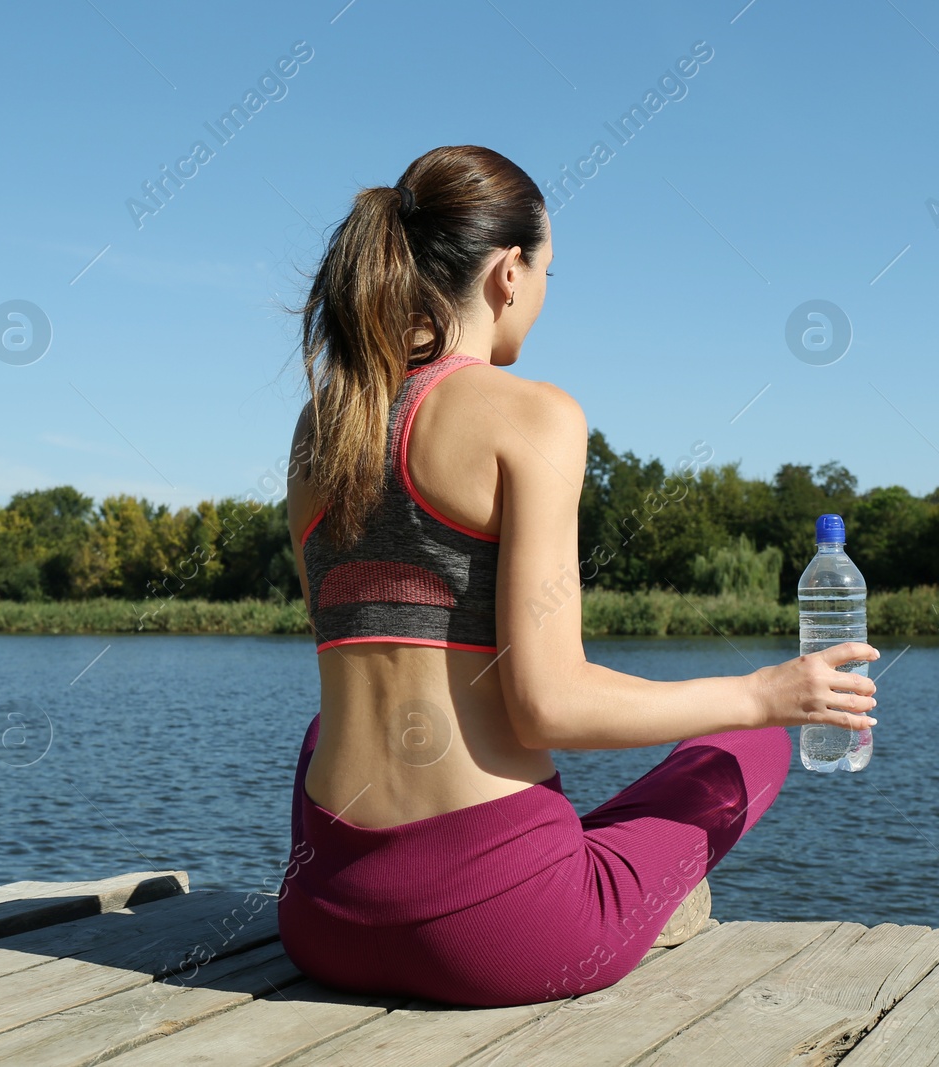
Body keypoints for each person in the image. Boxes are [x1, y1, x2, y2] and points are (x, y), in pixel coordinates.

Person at [276, 145, 879, 1008]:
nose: (547, 293)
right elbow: (547, 704)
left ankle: (550, 849)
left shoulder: (321, 426)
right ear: (509, 274)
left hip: (324, 919)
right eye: (550, 269)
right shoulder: (532, 416)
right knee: (756, 743)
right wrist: (764, 693)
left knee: (332, 721)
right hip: (493, 936)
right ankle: (593, 869)